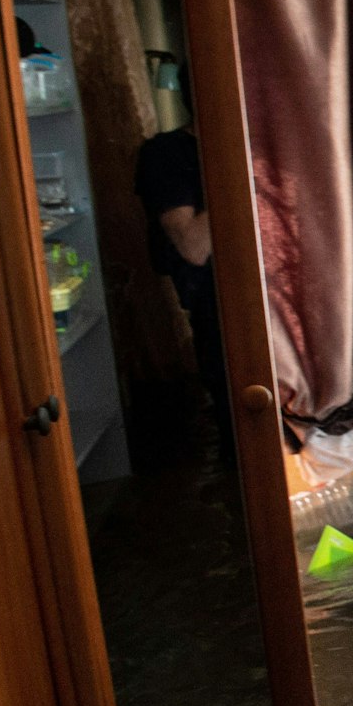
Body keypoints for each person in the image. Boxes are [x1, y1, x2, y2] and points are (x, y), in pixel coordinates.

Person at [134, 126, 232, 457]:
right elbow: (193, 246)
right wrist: (240, 168)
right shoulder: (167, 154)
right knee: (243, 441)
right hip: (224, 316)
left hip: (291, 308)